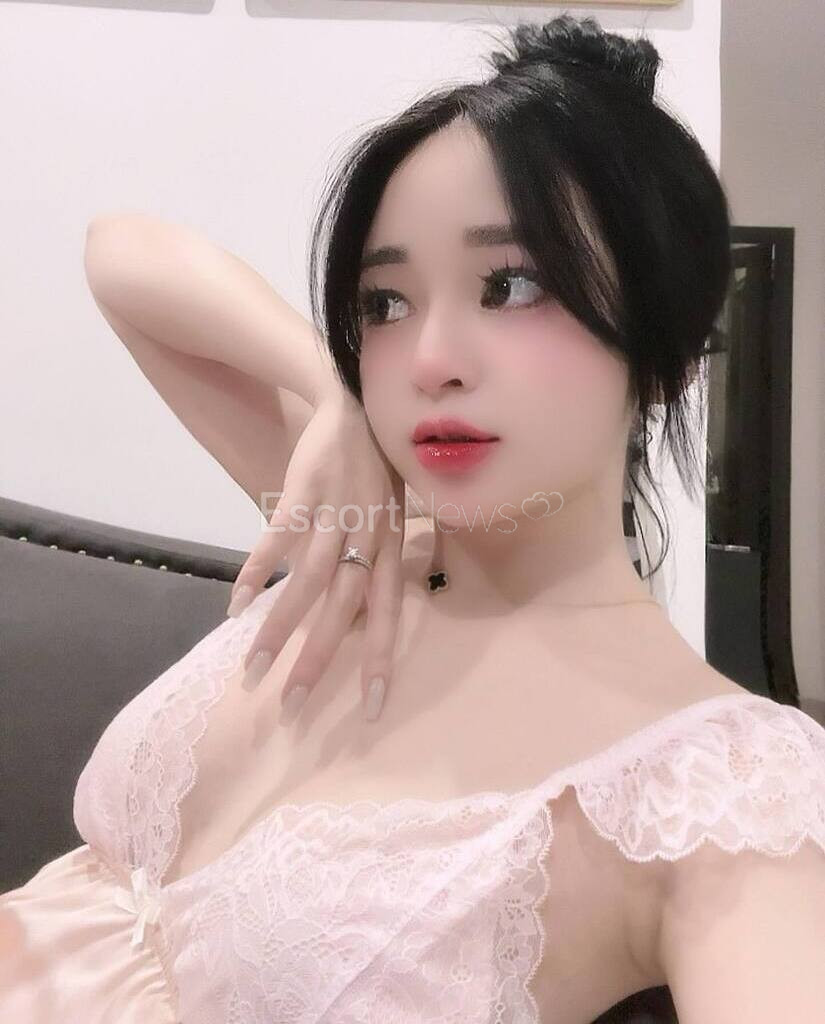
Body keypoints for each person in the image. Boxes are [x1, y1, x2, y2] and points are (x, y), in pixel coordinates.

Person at [2, 14, 824, 1024]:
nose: (429, 360)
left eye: (510, 285)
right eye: (384, 303)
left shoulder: (718, 787)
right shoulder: (365, 538)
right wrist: (334, 389)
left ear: (672, 354)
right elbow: (120, 255)